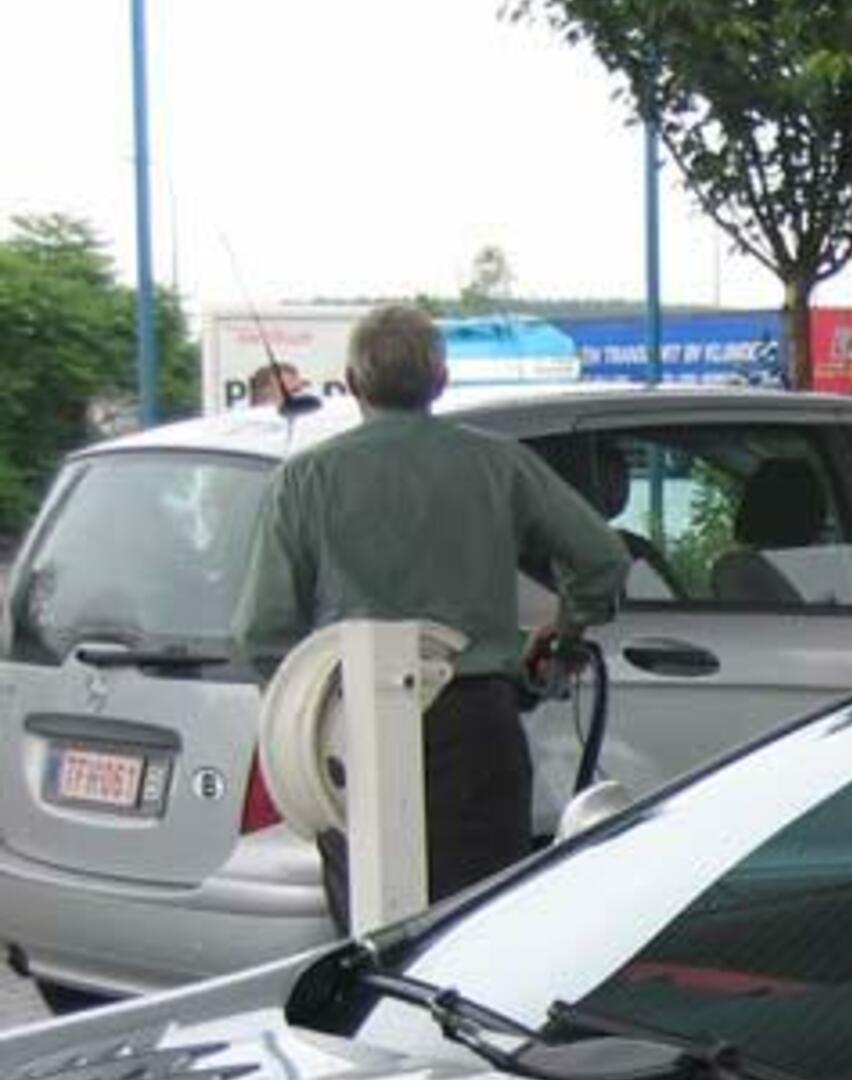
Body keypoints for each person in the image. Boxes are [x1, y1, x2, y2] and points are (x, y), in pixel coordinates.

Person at [234, 304, 629, 923]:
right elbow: (602, 558)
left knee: (371, 942)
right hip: (475, 729)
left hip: (350, 732)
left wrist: (313, 714)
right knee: (474, 934)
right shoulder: (498, 465)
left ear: (352, 382)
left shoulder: (304, 480)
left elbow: (260, 634)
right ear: (441, 384)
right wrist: (565, 631)